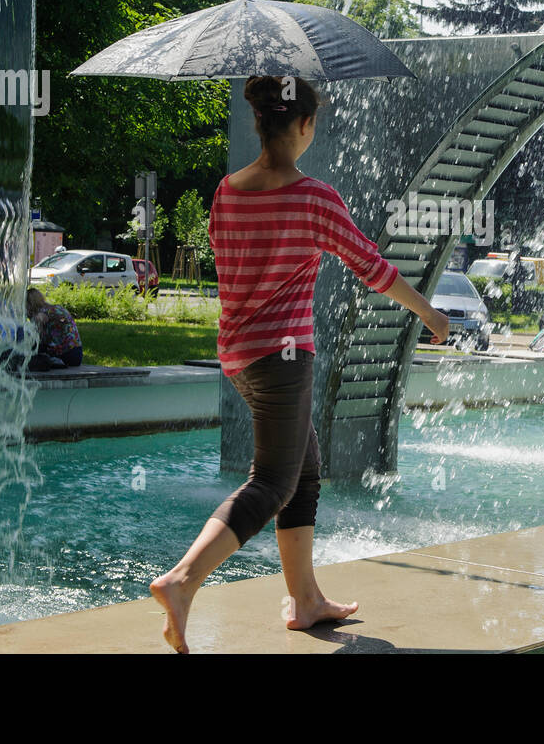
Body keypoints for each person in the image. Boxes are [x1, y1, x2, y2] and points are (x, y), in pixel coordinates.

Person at [150, 74, 449, 654]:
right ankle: (183, 580)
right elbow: (372, 268)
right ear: (305, 125)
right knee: (272, 481)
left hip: (237, 356)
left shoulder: (226, 192)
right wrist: (430, 316)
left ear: (261, 123)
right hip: (282, 358)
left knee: (304, 470)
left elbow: (229, 258)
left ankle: (305, 598)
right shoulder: (315, 198)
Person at [25, 287, 82, 369]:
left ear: (30, 304)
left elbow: (41, 320)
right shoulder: (56, 308)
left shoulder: (42, 312)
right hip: (77, 353)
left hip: (66, 355)